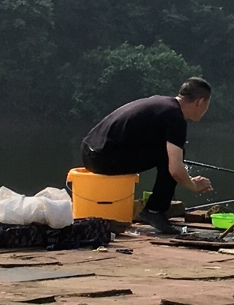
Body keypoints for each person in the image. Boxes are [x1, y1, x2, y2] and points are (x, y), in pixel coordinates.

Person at [80, 78, 215, 235]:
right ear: (200, 102)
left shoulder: (162, 103)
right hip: (102, 159)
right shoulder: (175, 117)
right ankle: (154, 210)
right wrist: (193, 185)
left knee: (169, 152)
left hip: (88, 151)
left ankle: (155, 209)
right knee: (172, 155)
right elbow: (176, 170)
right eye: (207, 104)